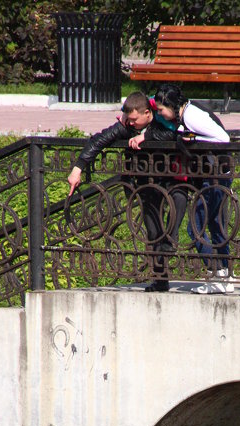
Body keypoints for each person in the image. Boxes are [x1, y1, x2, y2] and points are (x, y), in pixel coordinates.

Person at [67, 91, 184, 292]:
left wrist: (145, 136)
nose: (130, 124)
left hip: (171, 180)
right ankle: (160, 279)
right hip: (144, 185)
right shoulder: (127, 126)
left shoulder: (162, 120)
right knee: (153, 232)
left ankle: (171, 240)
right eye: (128, 119)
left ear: (148, 113)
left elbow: (174, 133)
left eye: (134, 120)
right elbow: (98, 140)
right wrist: (77, 168)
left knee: (178, 201)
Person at [129, 83, 234, 295]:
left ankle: (218, 275)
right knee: (214, 225)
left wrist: (194, 139)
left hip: (216, 173)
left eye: (161, 110)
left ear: (170, 105)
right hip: (216, 172)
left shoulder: (191, 116)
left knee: (195, 227)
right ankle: (224, 277)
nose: (160, 113)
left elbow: (224, 139)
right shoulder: (184, 114)